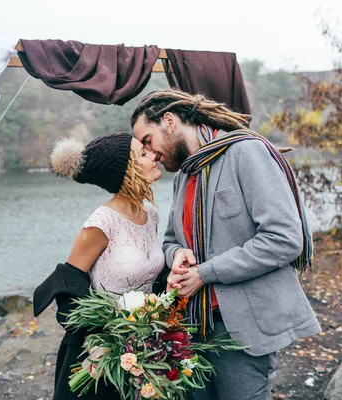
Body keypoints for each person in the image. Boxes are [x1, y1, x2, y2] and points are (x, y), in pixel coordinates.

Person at [131, 89, 322, 400]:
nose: (150, 154)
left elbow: (284, 239)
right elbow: (169, 240)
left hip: (244, 329)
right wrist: (176, 254)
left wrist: (204, 273)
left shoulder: (245, 153)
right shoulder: (186, 174)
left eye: (148, 141)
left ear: (169, 121)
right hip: (191, 326)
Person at [33, 132, 165, 400]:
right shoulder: (101, 223)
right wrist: (104, 339)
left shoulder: (150, 212)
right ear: (125, 170)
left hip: (147, 345)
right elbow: (70, 283)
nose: (154, 155)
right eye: (143, 153)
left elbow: (152, 274)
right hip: (103, 354)